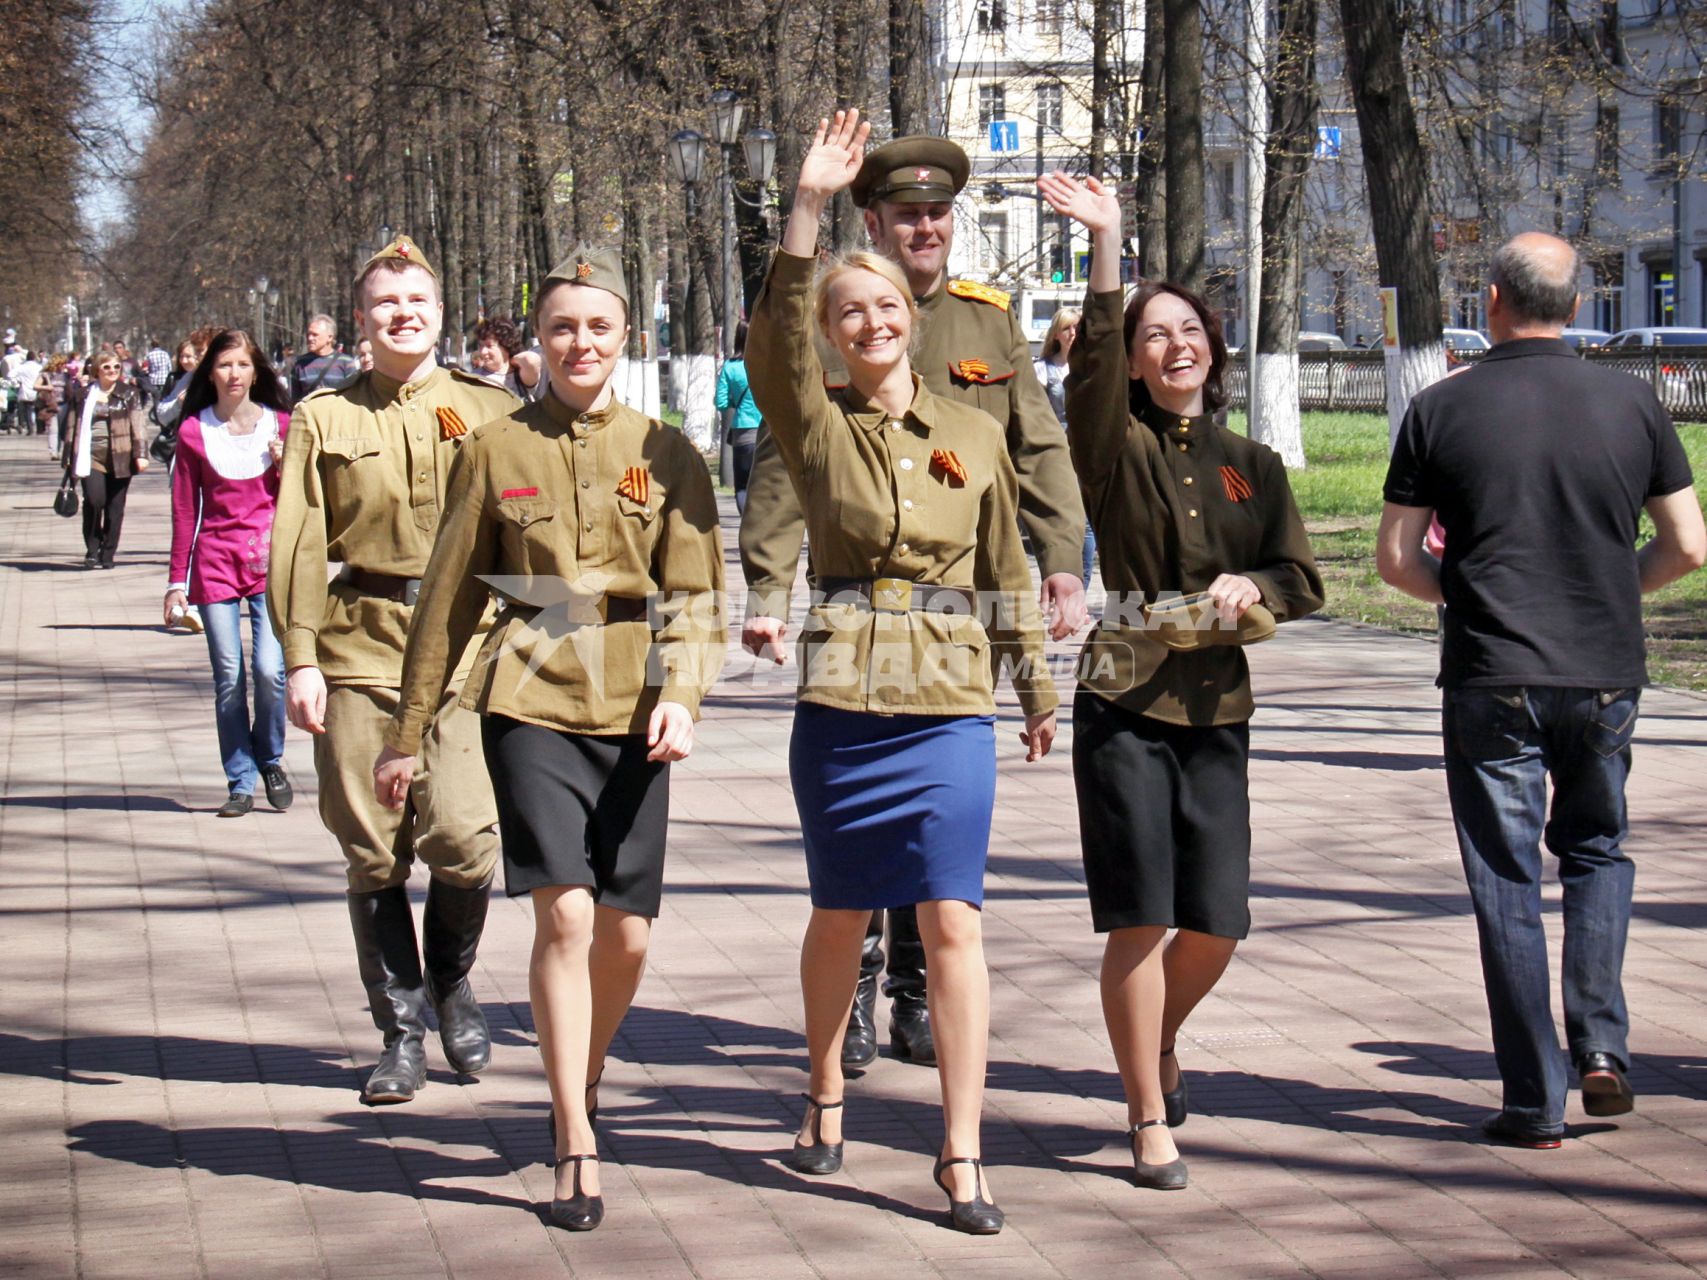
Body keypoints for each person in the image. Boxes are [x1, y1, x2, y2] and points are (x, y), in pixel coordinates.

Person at [749, 110, 1058, 1235]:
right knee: (840, 913)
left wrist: (1034, 687)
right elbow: (768, 349)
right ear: (832, 331)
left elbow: (1005, 562)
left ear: (906, 322)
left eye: (886, 306)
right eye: (850, 311)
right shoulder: (815, 425)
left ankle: (961, 1148)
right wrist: (808, 211)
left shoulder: (971, 431)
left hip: (948, 706)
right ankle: (826, 1087)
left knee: (953, 921)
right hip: (842, 698)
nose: (873, 321)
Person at [374, 247, 725, 1232]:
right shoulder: (493, 451)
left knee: (626, 931)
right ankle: (573, 1124)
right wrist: (406, 733)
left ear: (627, 338)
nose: (580, 343)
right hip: (527, 696)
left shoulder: (669, 452)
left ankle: (586, 1063)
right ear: (539, 338)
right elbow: (444, 604)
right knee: (564, 915)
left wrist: (686, 691)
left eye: (599, 327)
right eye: (563, 326)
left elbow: (698, 595)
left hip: (636, 702)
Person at [1377, 232, 1706, 1149]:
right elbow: (1687, 544)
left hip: (1492, 673)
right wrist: (1609, 593)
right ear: (1575, 305)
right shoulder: (1633, 402)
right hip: (1604, 669)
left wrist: (1470, 596)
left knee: (1507, 881)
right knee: (1597, 853)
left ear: (1490, 301)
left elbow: (1396, 561)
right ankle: (1601, 1049)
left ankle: (1533, 1099)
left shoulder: (1440, 408)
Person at [1040, 172, 1323, 1190]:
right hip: (1123, 702)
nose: (1174, 345)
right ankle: (1147, 1110)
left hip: (1219, 709)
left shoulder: (1253, 462)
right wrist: (1109, 243)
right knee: (1141, 916)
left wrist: (1258, 586)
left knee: (1217, 922)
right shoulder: (1111, 447)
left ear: (1211, 343)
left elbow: (1300, 574)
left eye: (1187, 329)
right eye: (1155, 334)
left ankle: (1157, 1036)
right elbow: (1097, 363)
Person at [268, 235, 521, 1104]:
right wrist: (299, 659)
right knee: (373, 851)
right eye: (385, 303)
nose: (402, 314)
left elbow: (531, 525)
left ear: (442, 315)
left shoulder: (493, 411)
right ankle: (400, 1031)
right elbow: (298, 542)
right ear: (362, 318)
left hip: (464, 652)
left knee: (462, 836)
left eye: (417, 301)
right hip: (360, 646)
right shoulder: (323, 418)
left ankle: (451, 981)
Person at [166, 329, 293, 817]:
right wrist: (176, 582)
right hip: (214, 563)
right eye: (224, 365)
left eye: (242, 364)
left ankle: (272, 758)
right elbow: (184, 511)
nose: (234, 374)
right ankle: (240, 779)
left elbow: (301, 502)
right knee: (228, 675)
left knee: (269, 670)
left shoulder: (281, 425)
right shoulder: (195, 432)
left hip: (269, 561)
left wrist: (285, 467)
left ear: (255, 370)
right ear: (210, 373)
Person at [63, 346, 152, 569]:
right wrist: (67, 456)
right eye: (106, 367)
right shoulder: (83, 395)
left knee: (115, 507)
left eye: (116, 367)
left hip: (121, 457)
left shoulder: (129, 393)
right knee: (94, 500)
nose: (112, 370)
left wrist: (141, 454)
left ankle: (108, 552)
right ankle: (92, 548)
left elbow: (138, 425)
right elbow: (72, 426)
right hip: (90, 457)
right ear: (96, 370)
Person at [1033, 308, 1096, 587]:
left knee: (1085, 521)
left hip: (1087, 448)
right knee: (1062, 516)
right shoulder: (1042, 369)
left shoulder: (1093, 366)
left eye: (1077, 328)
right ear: (1056, 333)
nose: (1073, 333)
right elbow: (1034, 411)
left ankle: (1080, 586)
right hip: (1056, 452)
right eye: (1067, 328)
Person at [714, 320, 761, 511]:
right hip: (768, 431)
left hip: (743, 432)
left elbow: (721, 402)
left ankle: (747, 526)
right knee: (765, 485)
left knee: (742, 486)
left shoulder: (730, 368)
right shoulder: (766, 363)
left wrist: (736, 403)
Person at [468, 315, 544, 401]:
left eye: (489, 346)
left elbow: (531, 360)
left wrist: (512, 361)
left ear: (506, 345)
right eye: (481, 346)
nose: (483, 352)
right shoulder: (474, 377)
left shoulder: (520, 375)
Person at [289, 314, 359, 402]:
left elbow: (354, 396)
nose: (310, 338)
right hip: (310, 414)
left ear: (330, 337)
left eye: (315, 335)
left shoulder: (346, 363)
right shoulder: (300, 364)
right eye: (309, 334)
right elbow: (295, 400)